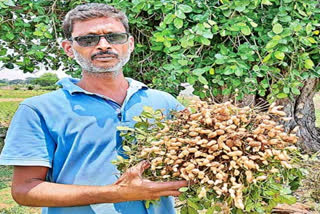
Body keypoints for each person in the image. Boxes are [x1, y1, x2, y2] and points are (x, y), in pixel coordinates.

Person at [0, 3, 187, 214]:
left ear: (130, 43)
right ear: (69, 48)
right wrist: (116, 193)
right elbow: (25, 189)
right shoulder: (38, 110)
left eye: (114, 37)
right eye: (88, 39)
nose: (104, 45)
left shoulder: (164, 103)